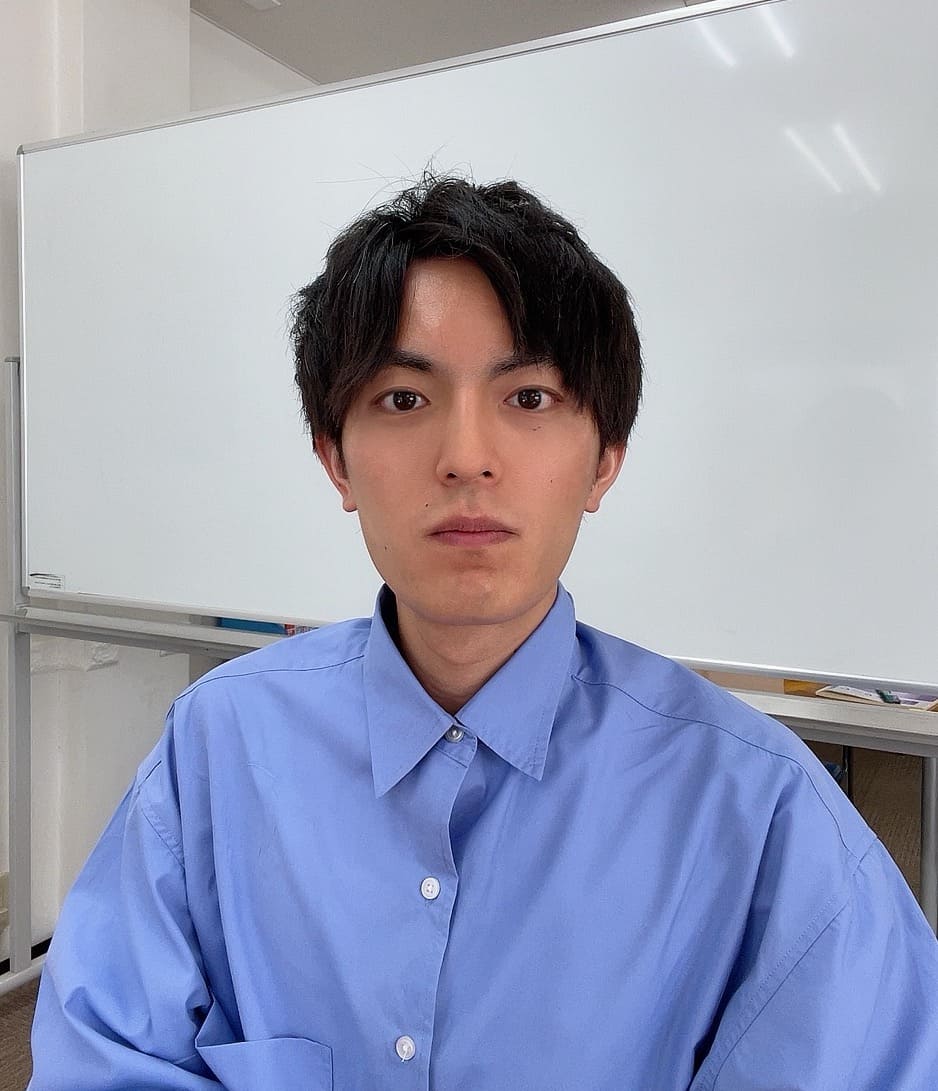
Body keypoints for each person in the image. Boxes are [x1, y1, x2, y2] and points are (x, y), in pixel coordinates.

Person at [29, 176, 938, 1090]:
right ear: (335, 458)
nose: (466, 457)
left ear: (605, 459)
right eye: (403, 398)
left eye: (529, 397)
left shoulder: (758, 807)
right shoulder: (217, 747)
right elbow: (101, 1058)